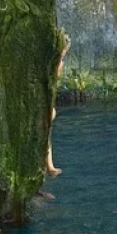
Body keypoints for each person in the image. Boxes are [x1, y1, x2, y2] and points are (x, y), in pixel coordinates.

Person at [47, 31, 71, 177]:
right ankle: (48, 167)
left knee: (46, 131)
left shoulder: (57, 63)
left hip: (47, 98)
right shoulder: (51, 63)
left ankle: (49, 166)